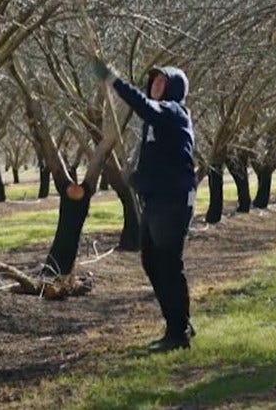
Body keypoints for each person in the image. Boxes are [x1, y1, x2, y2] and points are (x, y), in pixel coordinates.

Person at [92, 57, 197, 352]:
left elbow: (143, 105)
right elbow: (161, 160)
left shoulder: (173, 112)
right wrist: (137, 177)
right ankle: (179, 322)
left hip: (173, 202)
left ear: (174, 89)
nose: (156, 85)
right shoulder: (154, 123)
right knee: (152, 263)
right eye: (154, 81)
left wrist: (114, 81)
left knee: (168, 265)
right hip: (156, 201)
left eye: (163, 82)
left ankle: (178, 333)